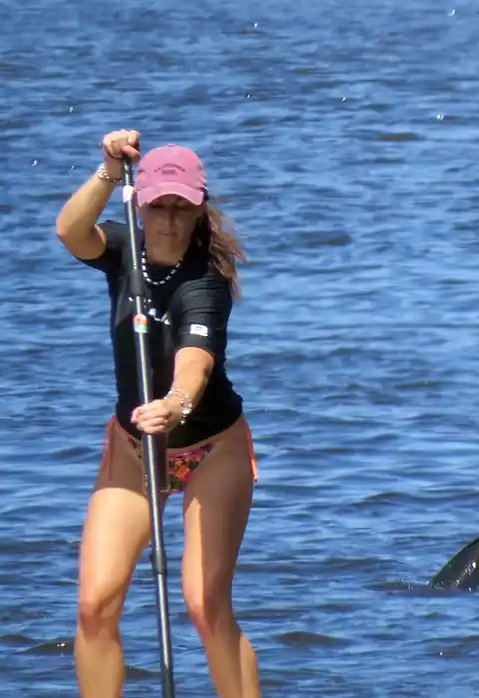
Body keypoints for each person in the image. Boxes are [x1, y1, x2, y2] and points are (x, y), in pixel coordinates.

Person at [55, 130, 261, 697]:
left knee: (204, 605)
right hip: (131, 447)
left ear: (200, 210)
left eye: (181, 208)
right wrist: (104, 171)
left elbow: (195, 361)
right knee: (96, 604)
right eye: (158, 206)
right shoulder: (121, 251)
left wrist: (174, 404)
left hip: (211, 449)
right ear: (139, 203)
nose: (169, 219)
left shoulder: (205, 283)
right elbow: (70, 232)